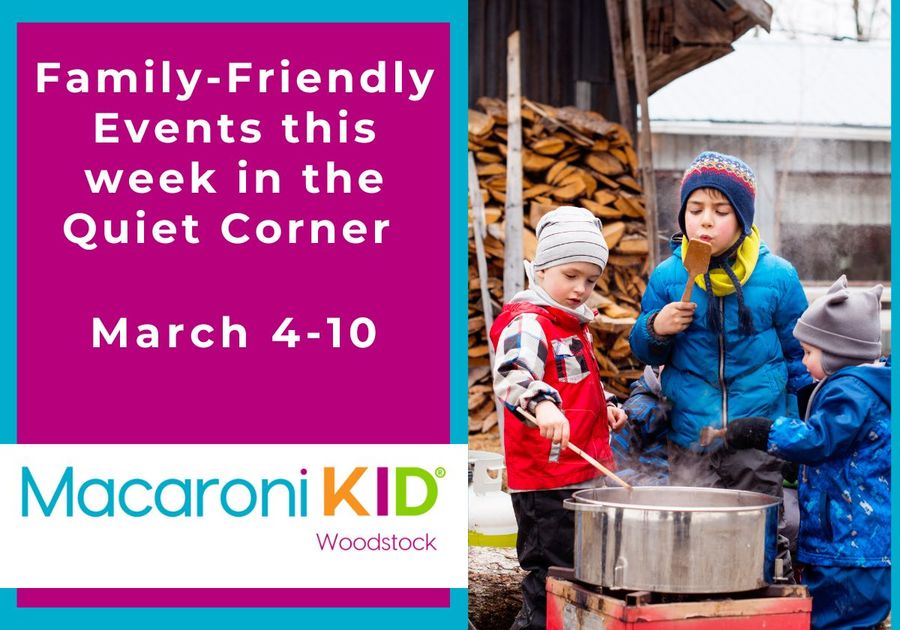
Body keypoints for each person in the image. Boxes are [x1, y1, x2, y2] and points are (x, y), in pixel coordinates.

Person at [628, 151, 812, 578]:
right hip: (690, 435)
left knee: (761, 533)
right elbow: (648, 353)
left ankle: (762, 601)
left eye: (719, 211)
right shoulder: (669, 277)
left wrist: (807, 420)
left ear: (743, 219)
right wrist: (657, 327)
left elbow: (798, 355)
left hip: (758, 434)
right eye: (695, 210)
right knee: (694, 535)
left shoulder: (778, 276)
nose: (704, 221)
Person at [727, 276, 890, 630]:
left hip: (851, 547)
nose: (802, 363)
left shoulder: (851, 393)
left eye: (808, 352)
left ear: (838, 353)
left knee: (837, 621)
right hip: (851, 544)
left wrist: (765, 431)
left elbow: (819, 440)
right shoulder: (856, 388)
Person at [490, 206, 626, 629]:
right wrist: (543, 405)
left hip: (583, 472)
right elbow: (513, 374)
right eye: (570, 275)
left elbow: (575, 380)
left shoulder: (571, 325)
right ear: (541, 269)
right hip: (547, 482)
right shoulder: (528, 322)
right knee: (550, 578)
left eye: (590, 279)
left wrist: (605, 405)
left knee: (582, 575)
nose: (581, 288)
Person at [612, 365, 669, 486]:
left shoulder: (690, 410)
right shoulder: (638, 410)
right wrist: (659, 488)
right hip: (649, 496)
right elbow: (614, 469)